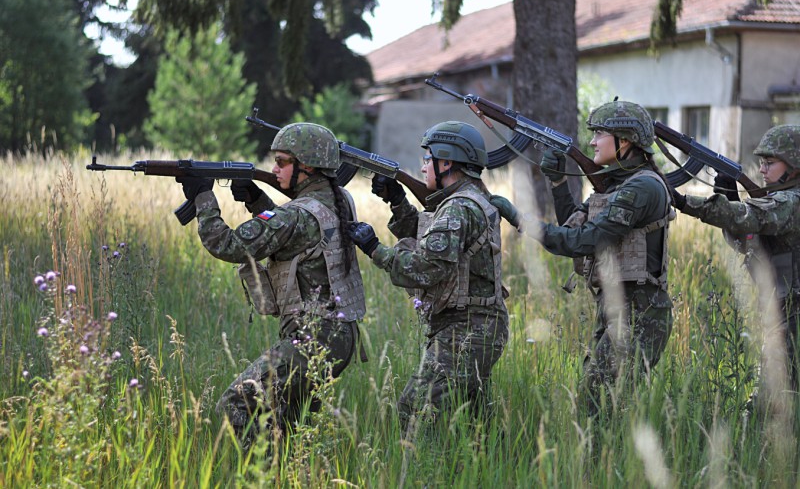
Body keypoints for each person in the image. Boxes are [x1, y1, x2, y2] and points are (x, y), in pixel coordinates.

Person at [175, 122, 366, 449]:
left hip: (312, 340)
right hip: (338, 336)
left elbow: (228, 245)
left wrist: (204, 197)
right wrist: (256, 199)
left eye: (281, 162)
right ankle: (285, 472)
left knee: (236, 403)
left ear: (307, 166)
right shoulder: (339, 199)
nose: (274, 169)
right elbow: (295, 233)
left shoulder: (296, 216)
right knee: (287, 428)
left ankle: (259, 473)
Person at [347, 121, 517, 432]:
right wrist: (397, 202)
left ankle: (419, 463)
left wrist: (374, 249)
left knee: (414, 410)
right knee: (474, 425)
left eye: (428, 159)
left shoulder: (457, 207)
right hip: (475, 324)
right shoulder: (466, 200)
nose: (424, 166)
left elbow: (427, 269)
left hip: (466, 329)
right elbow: (433, 239)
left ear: (447, 162)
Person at [535, 100, 674, 417]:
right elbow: (575, 227)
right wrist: (558, 183)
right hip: (616, 307)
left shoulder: (642, 186)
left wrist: (525, 223)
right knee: (598, 406)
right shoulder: (617, 185)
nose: (593, 142)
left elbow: (588, 240)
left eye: (599, 134)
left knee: (595, 403)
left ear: (624, 141)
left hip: (640, 313)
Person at [671, 125, 800, 410]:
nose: (762, 169)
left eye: (770, 163)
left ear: (794, 166)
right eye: (761, 162)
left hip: (793, 315)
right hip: (782, 311)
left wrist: (684, 202)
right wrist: (730, 199)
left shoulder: (791, 202)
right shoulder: (780, 202)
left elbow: (751, 216)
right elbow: (750, 243)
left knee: (770, 402)